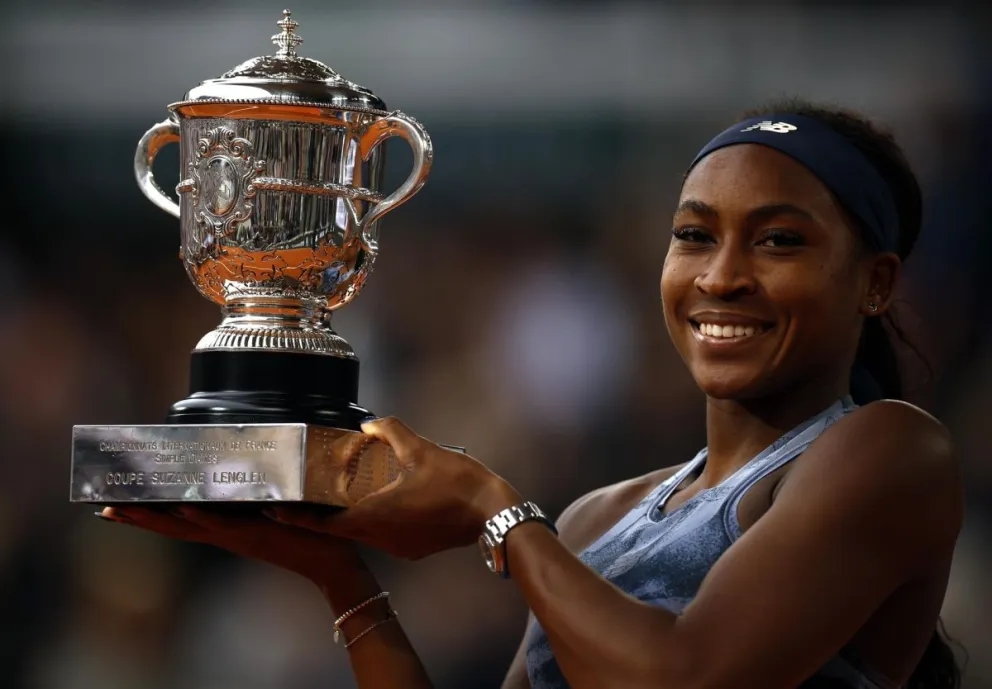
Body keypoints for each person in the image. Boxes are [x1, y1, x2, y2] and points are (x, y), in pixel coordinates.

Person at [101, 99, 964, 689]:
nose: (722, 276)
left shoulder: (890, 450)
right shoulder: (593, 520)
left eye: (777, 241)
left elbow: (687, 679)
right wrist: (339, 577)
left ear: (876, 284)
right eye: (695, 236)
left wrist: (492, 505)